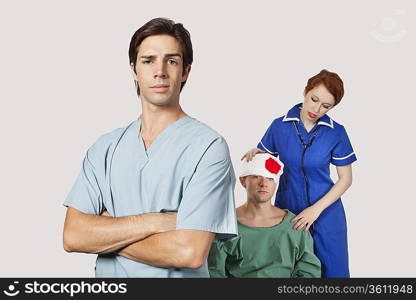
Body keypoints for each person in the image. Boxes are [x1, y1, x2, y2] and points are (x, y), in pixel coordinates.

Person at [63, 17, 237, 278]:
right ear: (134, 70)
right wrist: (156, 222)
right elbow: (73, 236)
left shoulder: (209, 148)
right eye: (148, 61)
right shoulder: (105, 149)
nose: (160, 71)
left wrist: (106, 231)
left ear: (186, 71)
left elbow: (188, 251)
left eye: (171, 61)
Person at [242, 69, 356, 278]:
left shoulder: (336, 132)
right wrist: (257, 153)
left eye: (326, 106)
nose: (317, 108)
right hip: (289, 210)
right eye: (314, 99)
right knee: (291, 271)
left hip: (327, 213)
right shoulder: (279, 126)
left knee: (334, 272)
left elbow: (346, 179)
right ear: (305, 91)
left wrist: (316, 210)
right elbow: (267, 163)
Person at [208, 153, 321, 278]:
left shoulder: (294, 226)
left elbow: (309, 272)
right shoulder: (226, 225)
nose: (263, 183)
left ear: (276, 183)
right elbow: (214, 272)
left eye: (270, 178)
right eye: (256, 177)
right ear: (243, 181)